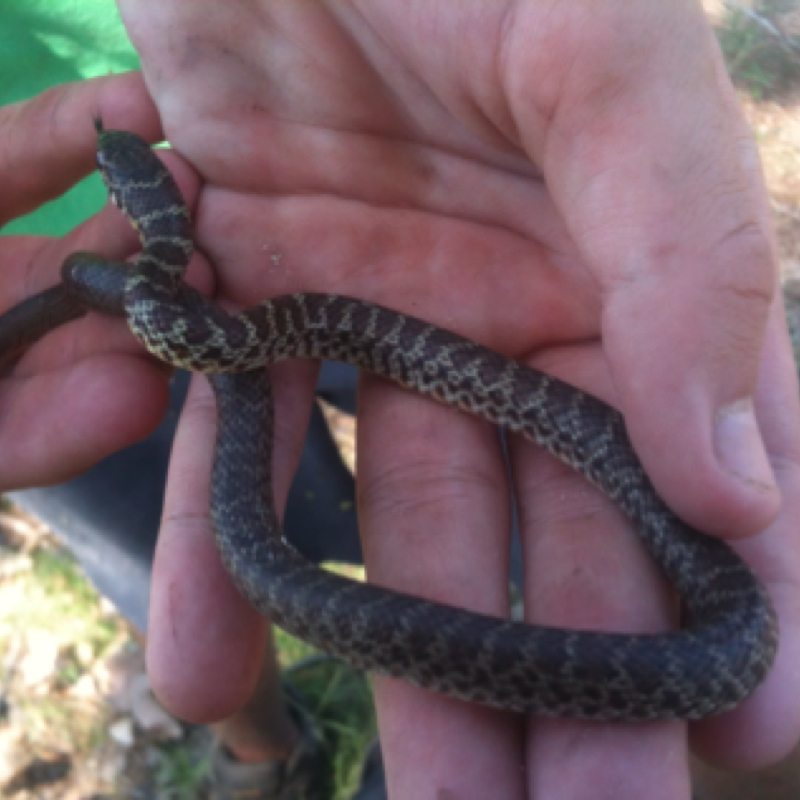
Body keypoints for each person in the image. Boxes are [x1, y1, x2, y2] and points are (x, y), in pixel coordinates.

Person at [1, 2, 799, 798]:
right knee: (188, 567)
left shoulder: (199, 303)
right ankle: (266, 758)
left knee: (586, 556)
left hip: (274, 207)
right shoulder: (188, 309)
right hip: (58, 256)